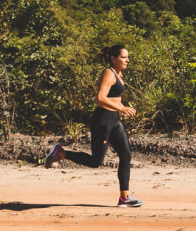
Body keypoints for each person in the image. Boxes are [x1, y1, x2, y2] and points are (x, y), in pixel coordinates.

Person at [44, 44, 144, 208]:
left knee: (126, 155)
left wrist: (121, 108)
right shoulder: (108, 73)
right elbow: (100, 98)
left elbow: (114, 97)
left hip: (115, 120)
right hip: (103, 120)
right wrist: (121, 108)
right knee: (95, 162)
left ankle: (124, 197)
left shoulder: (118, 75)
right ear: (113, 59)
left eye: (127, 57)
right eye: (123, 57)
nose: (127, 60)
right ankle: (60, 153)